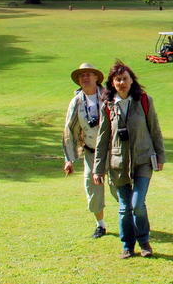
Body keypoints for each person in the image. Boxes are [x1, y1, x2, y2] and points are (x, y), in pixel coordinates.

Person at [93, 61, 166, 259]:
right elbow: (102, 139)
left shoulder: (144, 100)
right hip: (118, 163)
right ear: (112, 83)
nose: (122, 82)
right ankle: (127, 246)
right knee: (124, 207)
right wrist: (97, 169)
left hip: (143, 159)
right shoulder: (107, 106)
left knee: (137, 204)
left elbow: (155, 130)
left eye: (125, 78)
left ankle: (144, 242)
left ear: (132, 80)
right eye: (118, 80)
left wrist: (160, 156)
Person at [63, 62, 118, 238]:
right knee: (93, 189)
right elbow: (70, 130)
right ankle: (100, 225)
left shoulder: (109, 96)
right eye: (81, 76)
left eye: (88, 74)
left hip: (112, 151)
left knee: (120, 186)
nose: (85, 78)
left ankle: (131, 222)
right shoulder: (76, 102)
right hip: (91, 152)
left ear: (96, 77)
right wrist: (69, 159)